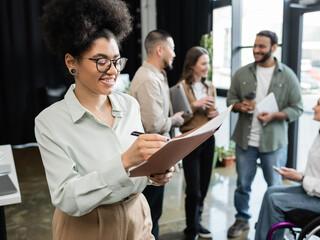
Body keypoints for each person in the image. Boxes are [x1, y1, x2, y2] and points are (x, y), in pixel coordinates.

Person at [35, 1, 174, 239]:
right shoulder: (50, 122)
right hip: (87, 226)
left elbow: (137, 170)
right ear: (72, 62)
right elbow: (66, 197)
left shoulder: (129, 105)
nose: (113, 70)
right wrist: (124, 162)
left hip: (137, 216)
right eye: (101, 60)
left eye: (117, 60)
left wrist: (153, 173)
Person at [226, 30, 303, 238]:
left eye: (261, 46)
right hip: (245, 141)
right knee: (243, 184)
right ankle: (242, 219)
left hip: (274, 143)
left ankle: (277, 225)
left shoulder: (287, 75)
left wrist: (275, 115)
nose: (256, 50)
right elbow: (230, 100)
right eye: (254, 45)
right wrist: (239, 106)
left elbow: (298, 108)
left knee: (275, 188)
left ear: (274, 48)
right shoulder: (242, 73)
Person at [255, 90, 320, 239]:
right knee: (270, 192)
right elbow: (318, 175)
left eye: (318, 104)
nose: (313, 108)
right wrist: (298, 176)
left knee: (274, 201)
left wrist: (300, 178)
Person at [129, 29, 184, 240]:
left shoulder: (157, 76)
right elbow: (153, 124)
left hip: (158, 156)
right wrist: (175, 120)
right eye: (173, 49)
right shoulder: (148, 79)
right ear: (160, 49)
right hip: (151, 157)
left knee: (154, 214)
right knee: (149, 217)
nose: (175, 54)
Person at [178, 46, 219, 240]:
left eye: (208, 63)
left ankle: (197, 222)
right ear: (192, 65)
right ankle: (190, 229)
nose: (207, 67)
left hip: (208, 139)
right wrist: (195, 105)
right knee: (193, 190)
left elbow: (212, 113)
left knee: (203, 187)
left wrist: (214, 115)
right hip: (190, 141)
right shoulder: (181, 88)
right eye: (203, 63)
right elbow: (181, 120)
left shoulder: (210, 86)